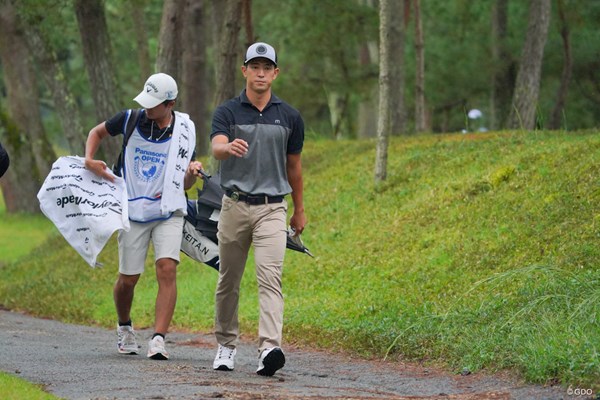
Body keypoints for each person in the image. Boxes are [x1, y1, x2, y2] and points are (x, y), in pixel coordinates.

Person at [84, 73, 202, 360]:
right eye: (146, 102)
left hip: (168, 211)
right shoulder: (130, 118)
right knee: (129, 279)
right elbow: (96, 133)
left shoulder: (184, 130)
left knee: (167, 268)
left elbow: (184, 185)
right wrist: (89, 159)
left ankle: (159, 339)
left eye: (154, 104)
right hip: (133, 210)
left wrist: (190, 174)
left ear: (170, 103)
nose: (148, 109)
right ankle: (124, 326)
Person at [210, 42, 306, 376]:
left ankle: (269, 348)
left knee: (270, 278)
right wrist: (227, 147)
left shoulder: (290, 116)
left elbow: (294, 167)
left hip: (272, 209)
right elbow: (216, 146)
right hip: (235, 205)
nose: (261, 73)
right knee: (229, 279)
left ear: (275, 73)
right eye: (255, 67)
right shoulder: (228, 111)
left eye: (267, 67)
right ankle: (225, 345)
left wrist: (300, 209)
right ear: (245, 71)